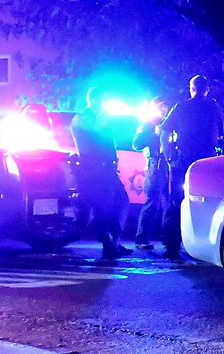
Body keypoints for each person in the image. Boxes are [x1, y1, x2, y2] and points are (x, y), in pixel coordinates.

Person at [160, 75, 224, 259]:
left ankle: (171, 246)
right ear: (206, 90)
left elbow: (164, 132)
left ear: (191, 88)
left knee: (175, 203)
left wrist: (169, 157)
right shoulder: (214, 109)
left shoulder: (180, 108)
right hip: (206, 165)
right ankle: (202, 246)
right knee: (205, 203)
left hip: (182, 163)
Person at [70, 86, 131, 261]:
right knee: (101, 208)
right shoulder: (84, 118)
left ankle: (115, 242)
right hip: (94, 170)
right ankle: (107, 244)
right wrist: (105, 117)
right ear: (95, 100)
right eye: (104, 100)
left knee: (120, 203)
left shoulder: (98, 118)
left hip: (107, 169)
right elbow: (95, 132)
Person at [131, 96, 170, 250]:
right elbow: (136, 144)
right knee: (152, 203)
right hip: (155, 167)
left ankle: (169, 241)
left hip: (169, 168)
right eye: (161, 106)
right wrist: (155, 134)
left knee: (170, 205)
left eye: (166, 106)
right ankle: (141, 238)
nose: (164, 109)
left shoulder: (169, 123)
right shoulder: (147, 124)